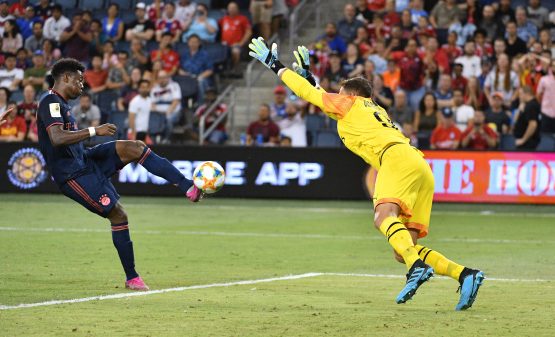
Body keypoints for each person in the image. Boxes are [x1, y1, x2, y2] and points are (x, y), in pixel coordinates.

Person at [249, 38, 484, 310]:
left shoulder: (351, 104)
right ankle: (465, 274)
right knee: (402, 249)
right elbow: (321, 97)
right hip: (418, 164)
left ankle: (416, 268)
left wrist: (274, 64)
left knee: (383, 217)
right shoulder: (371, 109)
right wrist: (311, 77)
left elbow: (309, 95)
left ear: (350, 94)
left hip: (395, 159)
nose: (336, 97)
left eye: (340, 93)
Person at [0, 58, 204, 291]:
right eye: (78, 80)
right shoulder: (50, 103)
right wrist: (94, 130)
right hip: (71, 175)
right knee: (118, 215)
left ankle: (188, 186)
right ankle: (132, 278)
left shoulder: (62, 104)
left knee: (134, 147)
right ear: (65, 78)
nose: (82, 85)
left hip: (84, 159)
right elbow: (57, 138)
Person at [218, 1, 252, 77]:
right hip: (224, 45)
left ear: (237, 9)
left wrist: (241, 43)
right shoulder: (223, 19)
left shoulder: (243, 18)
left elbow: (249, 32)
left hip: (237, 44)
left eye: (234, 8)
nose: (232, 9)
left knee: (235, 51)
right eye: (230, 8)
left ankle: (234, 68)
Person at [178, 34, 213, 103]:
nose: (193, 44)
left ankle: (201, 105)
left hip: (200, 77)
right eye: (191, 42)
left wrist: (199, 77)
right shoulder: (184, 55)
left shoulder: (205, 54)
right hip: (186, 78)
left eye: (195, 42)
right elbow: (179, 68)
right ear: (188, 43)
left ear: (199, 43)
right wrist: (182, 72)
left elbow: (209, 70)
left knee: (201, 82)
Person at [150, 70, 182, 141]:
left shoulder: (174, 85)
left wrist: (168, 112)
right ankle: (153, 141)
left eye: (164, 77)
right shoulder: (155, 89)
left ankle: (166, 139)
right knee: (152, 120)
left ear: (168, 78)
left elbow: (176, 101)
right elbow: (152, 104)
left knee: (168, 119)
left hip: (173, 111)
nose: (162, 80)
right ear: (157, 79)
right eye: (160, 78)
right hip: (159, 113)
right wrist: (157, 114)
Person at [513, 85, 540, 149]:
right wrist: (520, 109)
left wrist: (523, 140)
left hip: (528, 142)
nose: (519, 96)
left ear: (527, 94)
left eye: (520, 94)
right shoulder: (525, 105)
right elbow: (515, 121)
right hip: (521, 140)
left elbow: (533, 124)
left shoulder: (532, 105)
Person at [536, 59, 555, 133]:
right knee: (546, 136)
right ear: (550, 67)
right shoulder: (544, 79)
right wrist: (542, 105)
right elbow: (538, 94)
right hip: (546, 112)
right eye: (553, 66)